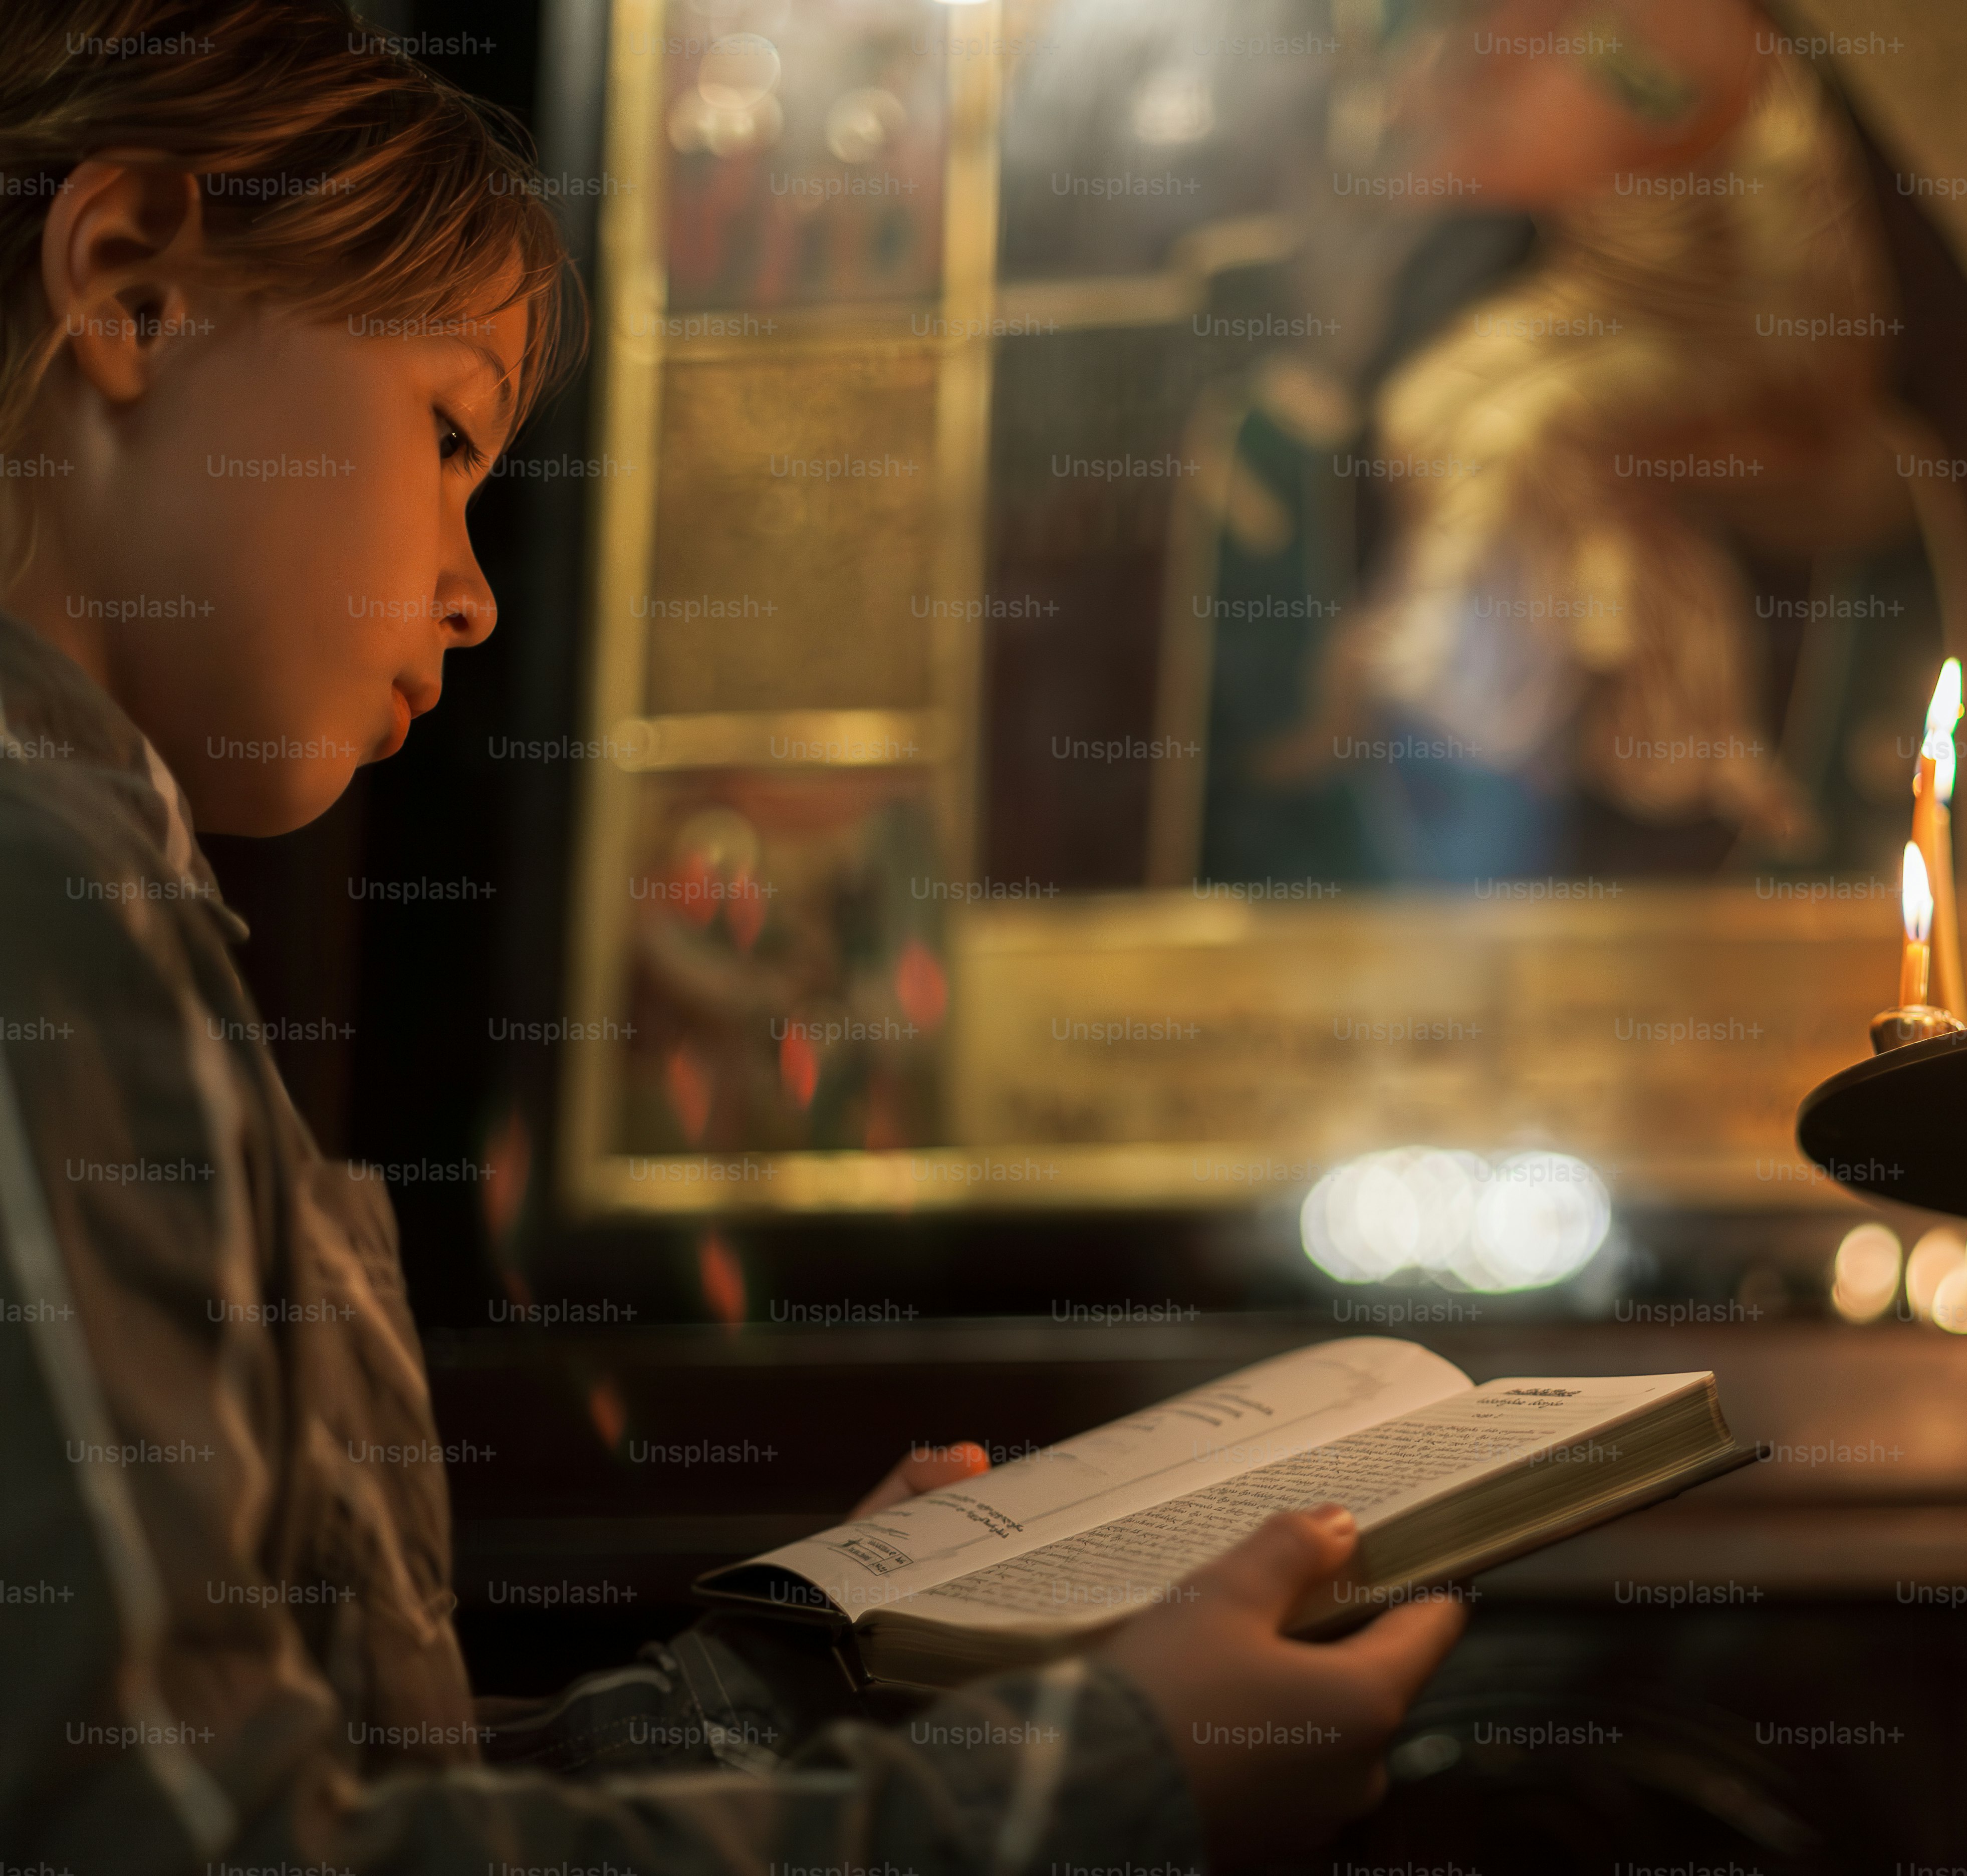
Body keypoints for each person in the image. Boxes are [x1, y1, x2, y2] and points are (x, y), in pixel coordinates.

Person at [0, 5, 1461, 1869]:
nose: (467, 591)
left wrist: (796, 1677)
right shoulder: (49, 898)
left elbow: (347, 1793)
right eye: (445, 435)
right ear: (131, 292)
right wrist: (1081, 1796)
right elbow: (174, 1843)